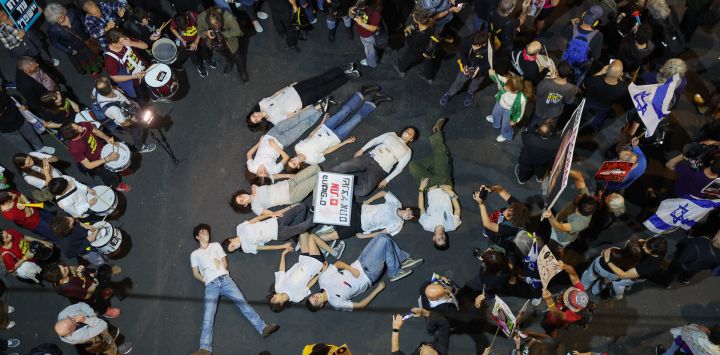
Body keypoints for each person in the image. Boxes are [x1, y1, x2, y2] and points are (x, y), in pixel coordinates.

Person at [190, 224, 279, 355]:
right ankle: (204, 348)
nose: (206, 233)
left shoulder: (216, 246)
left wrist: (218, 263)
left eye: (207, 231)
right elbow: (196, 273)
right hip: (211, 285)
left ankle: (263, 328)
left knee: (243, 304)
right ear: (197, 237)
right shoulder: (195, 254)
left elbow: (225, 263)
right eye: (202, 232)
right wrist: (207, 280)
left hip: (225, 280)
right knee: (208, 316)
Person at [306, 234, 423, 311]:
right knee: (384, 241)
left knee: (381, 236)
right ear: (321, 305)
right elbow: (360, 305)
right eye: (316, 300)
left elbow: (337, 264)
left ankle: (401, 260)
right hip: (369, 274)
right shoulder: (336, 302)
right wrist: (377, 289)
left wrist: (351, 269)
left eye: (313, 296)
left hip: (360, 261)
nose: (316, 296)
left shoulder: (323, 280)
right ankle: (394, 272)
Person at [288, 87, 390, 169]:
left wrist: (322, 122)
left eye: (291, 160)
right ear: (297, 166)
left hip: (325, 127)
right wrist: (344, 143)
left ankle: (362, 92)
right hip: (336, 137)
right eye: (293, 163)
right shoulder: (312, 161)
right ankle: (375, 102)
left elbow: (310, 135)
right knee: (356, 119)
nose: (293, 160)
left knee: (345, 111)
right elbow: (327, 151)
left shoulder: (298, 147)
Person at [247, 66, 360, 131]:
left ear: (254, 112)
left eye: (253, 116)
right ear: (260, 122)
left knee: (320, 79)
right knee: (326, 88)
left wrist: (289, 86)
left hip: (295, 89)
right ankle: (348, 76)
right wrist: (306, 108)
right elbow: (293, 115)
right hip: (302, 100)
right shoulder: (274, 120)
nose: (257, 116)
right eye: (256, 120)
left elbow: (275, 95)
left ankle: (345, 70)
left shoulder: (262, 104)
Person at [409, 118, 460, 250]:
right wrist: (451, 193)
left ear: (433, 238)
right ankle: (437, 133)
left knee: (413, 166)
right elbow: (458, 209)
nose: (441, 236)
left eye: (438, 239)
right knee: (442, 159)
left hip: (429, 186)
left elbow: (421, 208)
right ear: (446, 237)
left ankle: (442, 158)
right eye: (443, 238)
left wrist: (421, 189)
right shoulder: (452, 225)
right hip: (444, 183)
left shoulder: (426, 225)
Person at [329, 127, 417, 196]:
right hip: (370, 157)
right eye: (407, 130)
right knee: (344, 166)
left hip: (380, 169)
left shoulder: (407, 151)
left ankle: (339, 189)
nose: (407, 133)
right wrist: (362, 150)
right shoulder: (392, 134)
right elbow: (375, 140)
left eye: (410, 134)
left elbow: (399, 168)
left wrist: (387, 180)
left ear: (411, 139)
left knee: (363, 192)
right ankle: (325, 178)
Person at [314, 190, 418, 244]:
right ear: (408, 209)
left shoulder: (398, 224)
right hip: (360, 209)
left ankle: (313, 241)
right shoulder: (396, 203)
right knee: (331, 209)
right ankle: (326, 222)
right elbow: (382, 193)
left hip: (360, 225)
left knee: (333, 236)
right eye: (410, 214)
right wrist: (368, 201)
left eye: (410, 218)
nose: (408, 216)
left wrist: (364, 236)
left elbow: (381, 233)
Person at [58, 122, 131, 192]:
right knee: (110, 176)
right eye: (77, 128)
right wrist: (107, 159)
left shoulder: (82, 124)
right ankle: (116, 185)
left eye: (76, 125)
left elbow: (95, 131)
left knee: (116, 162)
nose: (80, 127)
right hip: (98, 164)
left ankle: (118, 170)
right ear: (72, 135)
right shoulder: (75, 148)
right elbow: (88, 165)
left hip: (103, 150)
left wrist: (107, 138)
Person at [92, 76, 156, 153]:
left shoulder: (97, 89)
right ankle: (140, 147)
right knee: (137, 132)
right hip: (129, 119)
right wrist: (135, 121)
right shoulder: (112, 109)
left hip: (130, 106)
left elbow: (92, 96)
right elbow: (124, 123)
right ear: (110, 86)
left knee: (138, 110)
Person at [267, 233, 328, 312]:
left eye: (272, 298)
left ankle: (319, 247)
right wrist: (321, 272)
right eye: (274, 300)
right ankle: (333, 251)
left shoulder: (278, 288)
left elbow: (281, 271)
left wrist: (283, 254)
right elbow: (309, 285)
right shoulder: (296, 298)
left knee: (303, 233)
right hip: (314, 264)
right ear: (281, 304)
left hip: (303, 259)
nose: (274, 296)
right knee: (312, 237)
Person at [223, 204, 315, 254]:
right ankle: (322, 214)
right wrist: (282, 246)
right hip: (278, 233)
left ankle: (294, 236)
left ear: (230, 240)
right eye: (234, 249)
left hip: (276, 221)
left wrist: (271, 214)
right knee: (304, 226)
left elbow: (255, 219)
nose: (235, 247)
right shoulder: (245, 248)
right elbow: (264, 247)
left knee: (301, 207)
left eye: (232, 246)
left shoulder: (240, 228)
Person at [231, 165, 320, 216]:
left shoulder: (255, 186)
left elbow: (268, 174)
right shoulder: (255, 207)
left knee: (316, 168)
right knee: (317, 178)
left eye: (240, 196)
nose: (243, 198)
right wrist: (288, 209)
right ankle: (316, 205)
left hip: (290, 182)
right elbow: (272, 213)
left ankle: (320, 196)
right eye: (242, 201)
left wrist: (288, 176)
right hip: (291, 195)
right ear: (245, 205)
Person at [43, 262, 122, 318]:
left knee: (99, 292)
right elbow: (87, 295)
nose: (66, 267)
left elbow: (72, 268)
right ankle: (104, 312)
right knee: (97, 303)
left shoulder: (62, 269)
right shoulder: (69, 288)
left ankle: (101, 294)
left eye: (63, 266)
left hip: (88, 284)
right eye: (64, 270)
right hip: (88, 295)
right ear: (60, 279)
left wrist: (79, 268)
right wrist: (95, 282)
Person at [543, 170, 597, 251]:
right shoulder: (586, 201)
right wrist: (561, 171)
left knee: (553, 248)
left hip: (561, 237)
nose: (578, 196)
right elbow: (579, 177)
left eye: (579, 198)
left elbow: (560, 228)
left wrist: (550, 217)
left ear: (577, 210)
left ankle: (559, 251)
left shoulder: (580, 223)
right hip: (560, 221)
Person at [45, 3, 103, 76]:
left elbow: (81, 17)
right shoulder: (53, 30)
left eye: (61, 14)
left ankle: (99, 64)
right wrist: (69, 50)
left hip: (85, 39)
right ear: (53, 19)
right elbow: (55, 43)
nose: (62, 17)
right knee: (87, 61)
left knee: (94, 53)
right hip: (75, 48)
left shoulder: (72, 12)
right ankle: (94, 72)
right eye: (58, 18)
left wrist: (86, 29)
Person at [55, 302, 133, 354]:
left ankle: (109, 337)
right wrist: (85, 319)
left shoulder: (63, 314)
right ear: (72, 332)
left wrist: (92, 315)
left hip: (94, 322)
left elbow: (81, 305)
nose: (73, 317)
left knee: (104, 332)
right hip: (92, 333)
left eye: (69, 318)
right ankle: (115, 352)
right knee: (106, 344)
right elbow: (102, 326)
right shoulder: (77, 337)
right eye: (73, 321)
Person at [198, 7, 251, 82]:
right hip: (216, 44)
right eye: (212, 24)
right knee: (225, 55)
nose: (215, 26)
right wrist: (206, 33)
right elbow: (200, 33)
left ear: (220, 19)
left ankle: (242, 71)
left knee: (238, 58)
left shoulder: (228, 16)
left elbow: (238, 31)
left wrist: (224, 34)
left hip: (230, 43)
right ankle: (230, 63)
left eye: (217, 23)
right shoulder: (201, 18)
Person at [603, 237, 667, 298]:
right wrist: (644, 242)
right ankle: (628, 286)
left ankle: (616, 295)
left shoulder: (649, 265)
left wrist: (608, 261)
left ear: (652, 252)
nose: (643, 246)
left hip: (636, 277)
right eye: (646, 243)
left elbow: (623, 275)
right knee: (628, 282)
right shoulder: (661, 246)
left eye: (646, 247)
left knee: (617, 283)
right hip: (636, 270)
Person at [439, 31, 490, 107]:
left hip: (480, 71)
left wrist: (479, 68)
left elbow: (490, 63)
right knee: (459, 80)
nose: (473, 47)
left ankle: (470, 92)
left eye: (476, 46)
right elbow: (462, 52)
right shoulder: (468, 41)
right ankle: (450, 92)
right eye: (473, 45)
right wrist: (464, 63)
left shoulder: (490, 50)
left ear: (484, 44)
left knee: (475, 83)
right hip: (467, 67)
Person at [473, 184, 530, 251]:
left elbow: (487, 224)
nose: (506, 212)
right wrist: (491, 188)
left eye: (509, 215)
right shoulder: (517, 207)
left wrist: (481, 204)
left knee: (489, 230)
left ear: (513, 222)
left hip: (495, 233)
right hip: (492, 222)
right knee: (487, 228)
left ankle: (488, 234)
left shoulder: (509, 229)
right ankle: (486, 231)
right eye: (509, 208)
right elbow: (501, 190)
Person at [540, 262, 589, 337]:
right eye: (567, 293)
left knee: (551, 319)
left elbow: (556, 313)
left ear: (569, 307)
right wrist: (564, 266)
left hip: (557, 313)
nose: (563, 295)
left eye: (564, 299)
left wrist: (548, 299)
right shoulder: (579, 292)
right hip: (558, 307)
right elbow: (573, 273)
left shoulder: (572, 316)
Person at [1, 88, 54, 153]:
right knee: (22, 145)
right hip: (7, 131)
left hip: (21, 121)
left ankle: (40, 148)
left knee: (32, 136)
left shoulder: (7, 99)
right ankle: (32, 155)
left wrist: (24, 107)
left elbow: (22, 106)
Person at [560, 5, 604, 83]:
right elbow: (596, 56)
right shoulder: (598, 36)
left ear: (583, 15)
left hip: (565, 61)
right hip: (580, 65)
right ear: (596, 22)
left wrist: (571, 23)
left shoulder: (571, 28)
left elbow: (562, 33)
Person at [582, 60, 629, 132]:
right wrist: (619, 77)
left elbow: (584, 85)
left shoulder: (596, 80)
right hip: (604, 106)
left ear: (607, 69)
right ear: (621, 74)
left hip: (589, 101)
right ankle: (594, 130)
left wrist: (601, 72)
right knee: (600, 118)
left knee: (582, 112)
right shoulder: (624, 87)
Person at [103, 29, 149, 100]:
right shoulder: (109, 59)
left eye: (124, 39)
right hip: (136, 81)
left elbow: (145, 46)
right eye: (121, 42)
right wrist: (134, 76)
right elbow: (115, 78)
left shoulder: (126, 40)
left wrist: (132, 43)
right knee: (143, 97)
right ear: (113, 43)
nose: (124, 43)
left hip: (146, 68)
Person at [170, 10, 218, 78]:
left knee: (204, 51)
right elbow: (172, 29)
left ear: (187, 17)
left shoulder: (194, 15)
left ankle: (207, 59)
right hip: (187, 43)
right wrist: (182, 40)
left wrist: (196, 41)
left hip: (199, 38)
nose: (186, 28)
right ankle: (199, 66)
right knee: (194, 57)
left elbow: (202, 27)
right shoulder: (176, 20)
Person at [530, 62, 578, 128]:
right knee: (547, 130)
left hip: (540, 111)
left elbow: (538, 94)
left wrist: (549, 78)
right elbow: (568, 102)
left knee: (532, 126)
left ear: (556, 71)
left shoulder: (545, 82)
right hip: (554, 115)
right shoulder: (573, 88)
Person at [486, 69, 528, 142]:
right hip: (500, 103)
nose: (505, 87)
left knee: (506, 124)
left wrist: (514, 121)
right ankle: (496, 122)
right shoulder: (508, 82)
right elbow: (498, 78)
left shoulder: (522, 99)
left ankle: (506, 135)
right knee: (495, 113)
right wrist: (492, 74)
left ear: (515, 91)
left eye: (508, 88)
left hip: (509, 111)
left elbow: (520, 112)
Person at [393, 9, 435, 79]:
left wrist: (406, 35)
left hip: (416, 51)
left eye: (414, 17)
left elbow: (411, 43)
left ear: (419, 21)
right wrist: (413, 26)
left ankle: (401, 69)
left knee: (406, 59)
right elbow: (419, 25)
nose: (413, 15)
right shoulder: (430, 21)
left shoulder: (420, 36)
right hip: (425, 48)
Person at [516, 119, 560, 184]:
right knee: (541, 170)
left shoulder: (530, 137)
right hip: (542, 161)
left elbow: (523, 135)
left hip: (527, 159)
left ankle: (522, 180)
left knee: (523, 169)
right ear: (550, 133)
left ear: (537, 130)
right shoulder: (555, 143)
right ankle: (539, 178)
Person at [349, 0, 382, 67]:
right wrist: (351, 11)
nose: (358, 8)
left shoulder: (375, 12)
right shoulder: (360, 4)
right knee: (367, 46)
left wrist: (361, 23)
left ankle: (372, 63)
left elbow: (374, 28)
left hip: (369, 35)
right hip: (362, 33)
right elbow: (351, 13)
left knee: (371, 51)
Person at [655, 324, 720, 355]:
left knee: (672, 350)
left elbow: (682, 331)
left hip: (682, 348)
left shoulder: (697, 334)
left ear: (709, 330)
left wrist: (696, 327)